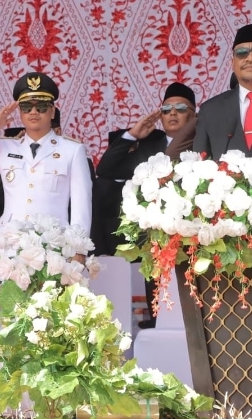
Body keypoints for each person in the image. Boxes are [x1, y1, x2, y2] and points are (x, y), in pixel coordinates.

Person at [96, 82, 196, 329]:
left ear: (193, 114)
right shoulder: (149, 145)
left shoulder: (204, 139)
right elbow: (106, 169)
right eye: (166, 109)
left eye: (180, 108)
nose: (172, 113)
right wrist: (132, 135)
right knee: (159, 309)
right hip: (155, 238)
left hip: (195, 234)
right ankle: (156, 323)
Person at [0, 72, 92, 250]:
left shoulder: (72, 150)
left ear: (52, 111)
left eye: (42, 107)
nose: (33, 112)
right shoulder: (6, 148)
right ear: (20, 113)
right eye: (26, 107)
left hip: (53, 245)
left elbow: (81, 205)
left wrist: (79, 248)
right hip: (9, 246)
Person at [194, 24, 252, 159]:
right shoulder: (210, 110)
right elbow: (199, 165)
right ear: (232, 63)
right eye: (242, 53)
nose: (249, 59)